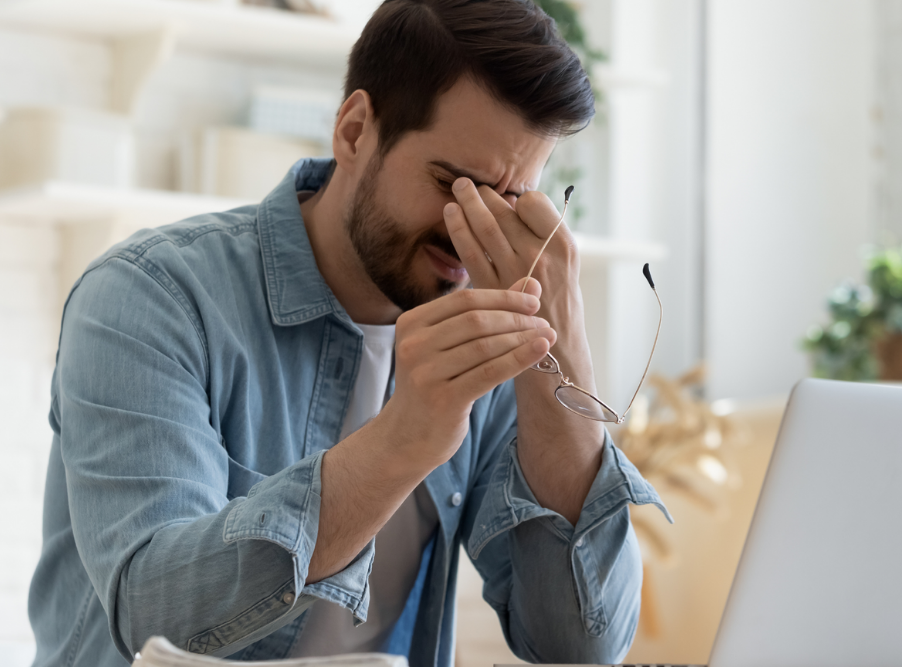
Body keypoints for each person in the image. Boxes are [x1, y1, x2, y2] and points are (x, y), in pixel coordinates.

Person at [28, 1, 669, 665]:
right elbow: (154, 621)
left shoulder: (496, 334)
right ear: (355, 130)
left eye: (511, 201)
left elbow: (579, 644)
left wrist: (560, 352)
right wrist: (405, 436)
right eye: (456, 184)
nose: (470, 231)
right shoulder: (150, 296)